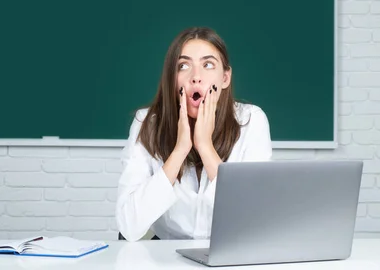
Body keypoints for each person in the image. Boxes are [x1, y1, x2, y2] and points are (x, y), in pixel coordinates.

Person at [115, 26, 273, 242]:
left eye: (208, 65)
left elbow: (254, 219)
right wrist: (179, 151)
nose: (196, 77)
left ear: (225, 78)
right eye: (183, 66)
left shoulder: (251, 121)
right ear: (173, 79)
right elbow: (129, 225)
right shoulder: (147, 124)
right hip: (166, 255)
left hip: (229, 252)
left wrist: (205, 146)